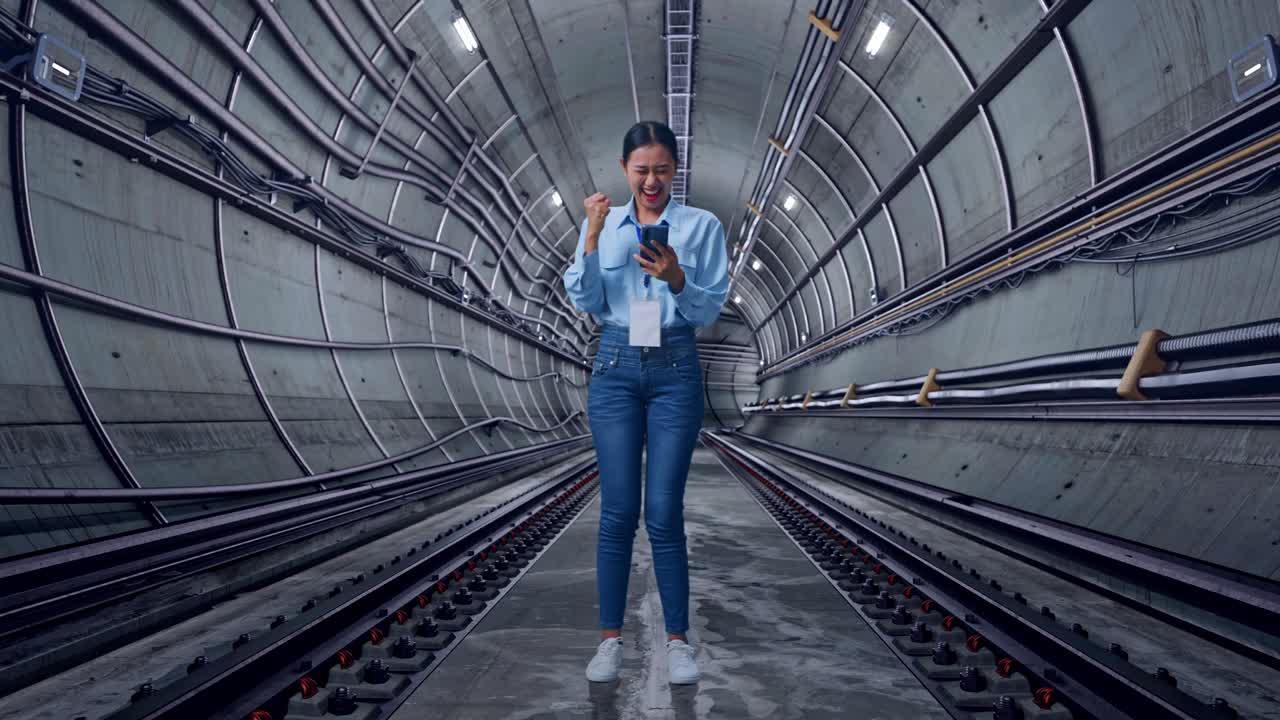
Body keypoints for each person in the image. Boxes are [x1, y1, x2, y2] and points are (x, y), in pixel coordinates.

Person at [563, 121, 729, 685]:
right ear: (624, 169)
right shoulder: (603, 225)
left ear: (675, 169)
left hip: (675, 368)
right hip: (614, 367)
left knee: (662, 513)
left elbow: (707, 311)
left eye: (661, 169)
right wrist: (590, 234)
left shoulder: (702, 226)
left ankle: (678, 642)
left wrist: (677, 277)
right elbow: (585, 298)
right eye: (641, 170)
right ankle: (609, 640)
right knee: (616, 513)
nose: (651, 180)